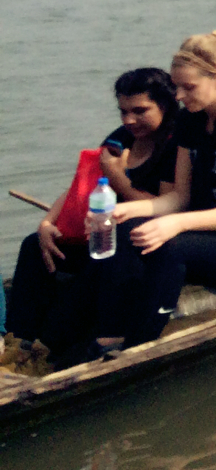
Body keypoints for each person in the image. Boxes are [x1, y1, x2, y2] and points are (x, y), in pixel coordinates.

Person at [90, 34, 216, 352]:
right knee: (126, 229)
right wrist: (126, 211)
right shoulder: (190, 120)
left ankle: (140, 344)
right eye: (176, 86)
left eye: (188, 87)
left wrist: (178, 224)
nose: (179, 96)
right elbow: (179, 199)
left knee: (170, 245)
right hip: (214, 238)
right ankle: (108, 332)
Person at [5, 69, 181, 361]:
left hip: (139, 246)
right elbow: (83, 184)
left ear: (165, 105)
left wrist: (117, 177)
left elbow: (162, 204)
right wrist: (48, 222)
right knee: (34, 246)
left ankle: (48, 347)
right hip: (103, 231)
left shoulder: (174, 145)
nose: (129, 120)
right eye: (123, 111)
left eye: (140, 111)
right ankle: (17, 340)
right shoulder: (120, 138)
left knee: (101, 262)